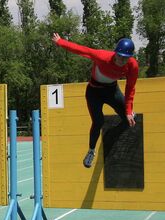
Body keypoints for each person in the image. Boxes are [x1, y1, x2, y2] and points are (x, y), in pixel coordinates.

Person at [52, 33, 139, 168]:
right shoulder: (102, 56)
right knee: (98, 122)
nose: (122, 60)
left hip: (112, 90)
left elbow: (130, 88)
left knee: (128, 119)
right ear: (115, 53)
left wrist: (128, 110)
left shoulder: (132, 65)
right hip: (94, 92)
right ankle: (91, 151)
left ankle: (112, 133)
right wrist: (60, 42)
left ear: (130, 57)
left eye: (125, 58)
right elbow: (81, 50)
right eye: (120, 56)